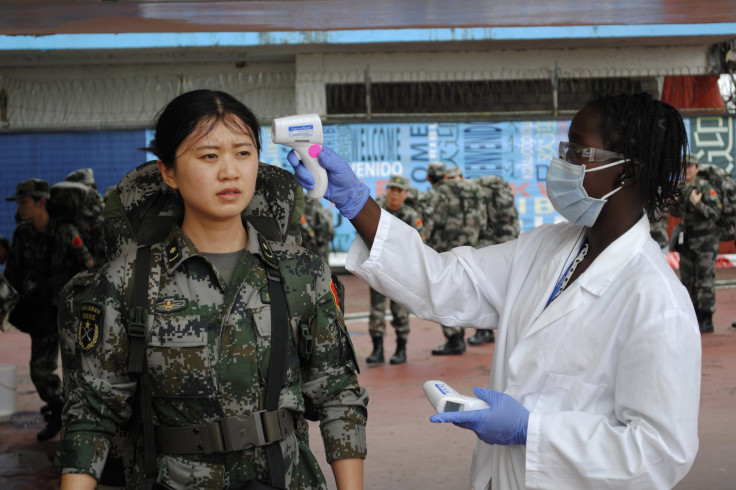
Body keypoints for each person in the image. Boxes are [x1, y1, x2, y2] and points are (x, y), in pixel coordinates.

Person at [288, 92, 700, 489]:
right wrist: (356, 202)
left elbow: (659, 453)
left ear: (626, 172)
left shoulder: (656, 301)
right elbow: (443, 282)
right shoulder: (548, 248)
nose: (562, 163)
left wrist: (531, 430)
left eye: (577, 152)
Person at [56, 89, 368, 489]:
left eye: (243, 152)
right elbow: (92, 416)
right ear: (167, 171)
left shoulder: (301, 274)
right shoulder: (126, 282)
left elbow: (338, 395)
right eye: (208, 155)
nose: (230, 171)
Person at [3, 178, 95, 441]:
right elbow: (12, 275)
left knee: (80, 371)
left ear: (40, 202)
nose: (20, 207)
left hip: (71, 312)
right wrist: (3, 310)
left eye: (24, 202)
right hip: (41, 313)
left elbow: (89, 267)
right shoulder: (23, 234)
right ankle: (58, 411)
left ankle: (84, 422)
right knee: (39, 371)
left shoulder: (66, 231)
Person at [425, 165, 486, 355]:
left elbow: (430, 222)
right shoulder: (472, 188)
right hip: (471, 247)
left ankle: (455, 338)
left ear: (429, 178)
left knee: (446, 292)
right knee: (471, 288)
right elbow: (483, 220)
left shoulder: (438, 192)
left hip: (446, 249)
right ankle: (477, 329)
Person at [367, 175, 424, 365]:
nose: (395, 194)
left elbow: (419, 243)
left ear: (405, 194)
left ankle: (401, 348)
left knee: (400, 309)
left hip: (401, 270)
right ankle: (378, 349)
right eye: (392, 189)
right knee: (376, 310)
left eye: (400, 190)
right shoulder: (377, 210)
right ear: (387, 190)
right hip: (378, 266)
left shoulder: (410, 215)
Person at [468, 174, 521, 346]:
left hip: (491, 243)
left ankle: (483, 332)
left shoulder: (480, 191)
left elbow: (480, 221)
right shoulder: (502, 191)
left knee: (484, 285)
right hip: (510, 242)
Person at [675, 153, 722, 333]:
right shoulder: (681, 188)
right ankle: (692, 315)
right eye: (683, 167)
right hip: (687, 241)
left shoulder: (704, 186)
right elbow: (678, 214)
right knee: (687, 280)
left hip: (705, 243)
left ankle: (706, 318)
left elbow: (715, 213)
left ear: (697, 168)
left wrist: (697, 203)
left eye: (690, 166)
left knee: (705, 280)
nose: (686, 170)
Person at [299, 193, 335, 263]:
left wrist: (311, 233)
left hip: (311, 242)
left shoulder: (302, 202)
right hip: (321, 243)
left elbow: (303, 223)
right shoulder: (316, 204)